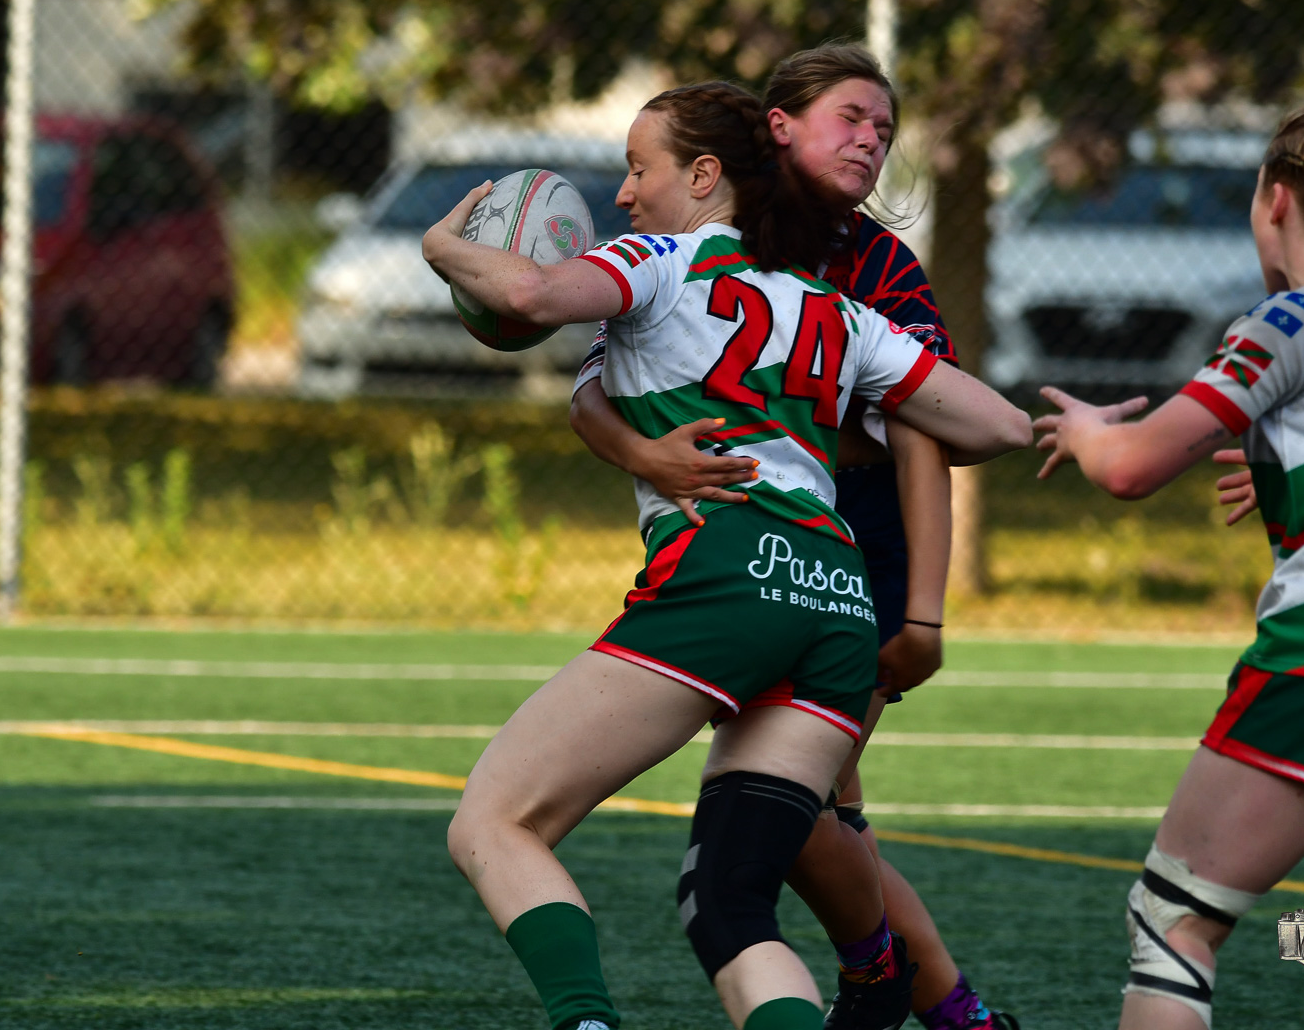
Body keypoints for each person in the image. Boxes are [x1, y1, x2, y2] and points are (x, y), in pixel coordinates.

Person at [428, 81, 1031, 1030]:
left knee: (495, 822)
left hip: (728, 575)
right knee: (734, 906)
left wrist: (444, 248)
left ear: (704, 177)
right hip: (838, 601)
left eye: (639, 168)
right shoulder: (833, 307)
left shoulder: (657, 262)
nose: (623, 196)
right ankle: (907, 986)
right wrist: (845, 420)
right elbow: (995, 425)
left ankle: (585, 1021)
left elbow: (532, 294)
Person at [1033, 101, 1304, 1028]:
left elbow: (1136, 467)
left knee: (1172, 920)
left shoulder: (1297, 311)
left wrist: (1089, 431)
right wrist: (1285, 469)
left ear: (1273, 201)